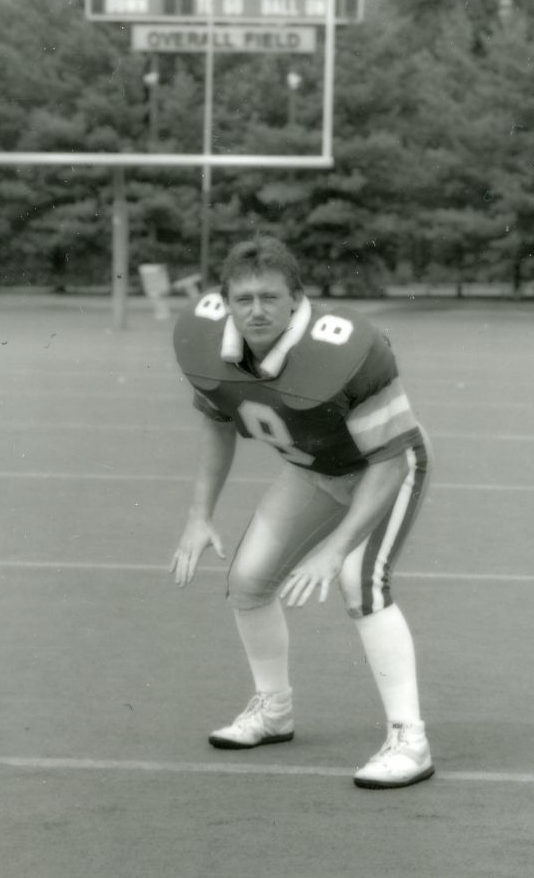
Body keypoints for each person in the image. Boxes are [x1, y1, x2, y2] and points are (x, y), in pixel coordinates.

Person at [168, 235, 433, 789]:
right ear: (226, 302)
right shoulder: (204, 341)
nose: (257, 310)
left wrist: (334, 550)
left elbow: (387, 459)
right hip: (315, 470)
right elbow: (218, 425)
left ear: (296, 299)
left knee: (361, 582)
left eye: (270, 297)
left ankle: (411, 739)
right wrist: (200, 513)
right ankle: (274, 711)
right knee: (247, 581)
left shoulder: (345, 348)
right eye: (244, 299)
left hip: (385, 468)